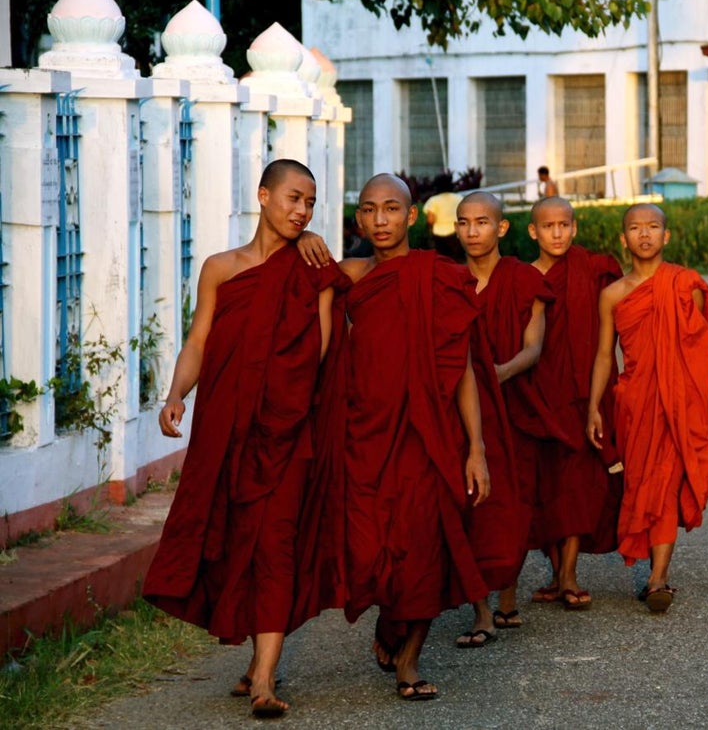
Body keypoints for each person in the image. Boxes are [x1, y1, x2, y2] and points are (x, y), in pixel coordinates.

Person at [143, 159, 346, 719]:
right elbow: (199, 340)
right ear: (263, 196)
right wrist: (176, 393)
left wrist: (287, 407)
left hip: (287, 430)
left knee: (277, 542)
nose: (302, 210)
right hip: (225, 427)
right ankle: (252, 655)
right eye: (293, 198)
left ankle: (263, 675)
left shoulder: (314, 268)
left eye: (311, 202)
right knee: (233, 537)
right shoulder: (220, 268)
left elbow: (321, 351)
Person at [304, 173, 494, 701]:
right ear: (358, 218)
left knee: (422, 546)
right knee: (367, 548)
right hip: (360, 434)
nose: (381, 220)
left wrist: (475, 449)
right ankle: (389, 624)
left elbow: (463, 369)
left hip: (424, 437)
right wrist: (301, 237)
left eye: (392, 209)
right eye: (369, 210)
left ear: (411, 217)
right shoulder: (347, 275)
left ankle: (409, 659)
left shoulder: (439, 276)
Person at [587, 203, 708, 613]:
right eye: (635, 228)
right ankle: (655, 571)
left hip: (681, 401)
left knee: (668, 480)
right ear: (624, 239)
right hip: (636, 401)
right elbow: (605, 355)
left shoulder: (685, 284)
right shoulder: (613, 295)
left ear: (666, 236)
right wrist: (593, 407)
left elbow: (701, 354)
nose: (645, 234)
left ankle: (658, 577)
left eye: (653, 226)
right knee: (642, 482)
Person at [453, 191, 564, 643]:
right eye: (463, 222)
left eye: (482, 222)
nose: (472, 231)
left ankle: (506, 598)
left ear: (501, 228)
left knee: (513, 505)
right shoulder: (448, 280)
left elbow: (533, 348)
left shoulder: (522, 279)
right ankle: (480, 608)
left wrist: (492, 374)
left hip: (511, 405)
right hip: (464, 413)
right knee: (473, 506)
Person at [528, 196, 623, 610]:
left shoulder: (591, 270)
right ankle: (555, 572)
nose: (558, 234)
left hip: (582, 393)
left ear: (574, 227)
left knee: (576, 485)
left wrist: (599, 399)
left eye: (564, 225)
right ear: (534, 232)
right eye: (548, 227)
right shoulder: (523, 277)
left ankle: (568, 574)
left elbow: (610, 336)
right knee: (541, 486)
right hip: (537, 393)